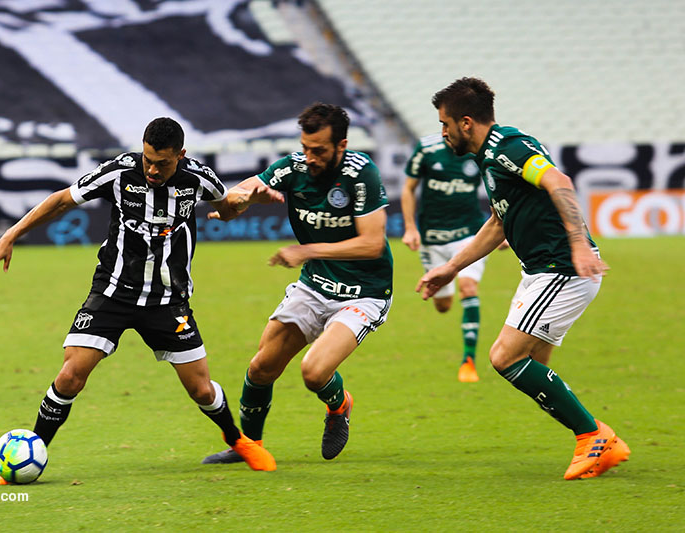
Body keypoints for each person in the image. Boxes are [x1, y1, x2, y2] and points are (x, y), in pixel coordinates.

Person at [0, 117, 283, 480]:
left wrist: (243, 202)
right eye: (148, 160)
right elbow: (61, 200)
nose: (153, 170)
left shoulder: (198, 178)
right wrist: (10, 235)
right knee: (70, 376)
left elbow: (225, 207)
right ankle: (31, 451)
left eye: (163, 163)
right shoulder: (119, 173)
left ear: (181, 156)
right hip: (112, 293)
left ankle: (239, 442)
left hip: (168, 301)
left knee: (202, 390)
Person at [418, 77, 630, 480]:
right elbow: (497, 223)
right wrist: (450, 267)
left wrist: (579, 245)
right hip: (542, 270)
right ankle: (597, 439)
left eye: (445, 123)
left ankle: (594, 437)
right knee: (532, 364)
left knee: (504, 357)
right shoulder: (489, 157)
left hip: (562, 269)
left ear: (466, 123)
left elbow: (559, 182)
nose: (442, 133)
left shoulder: (509, 147)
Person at [202, 102, 393, 464]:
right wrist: (238, 201)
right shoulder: (294, 166)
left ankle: (340, 406)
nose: (310, 157)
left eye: (319, 150)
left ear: (342, 145)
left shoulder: (361, 173)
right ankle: (247, 447)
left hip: (364, 292)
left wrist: (306, 250)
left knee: (313, 371)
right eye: (305, 148)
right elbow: (235, 200)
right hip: (315, 286)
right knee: (261, 367)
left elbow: (372, 244)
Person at [401, 132, 505, 382]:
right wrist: (410, 227)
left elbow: (497, 188)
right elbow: (408, 188)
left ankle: (468, 361)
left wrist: (502, 228)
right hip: (433, 237)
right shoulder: (426, 148)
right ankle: (445, 298)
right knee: (443, 305)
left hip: (469, 234)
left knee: (468, 287)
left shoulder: (477, 151)